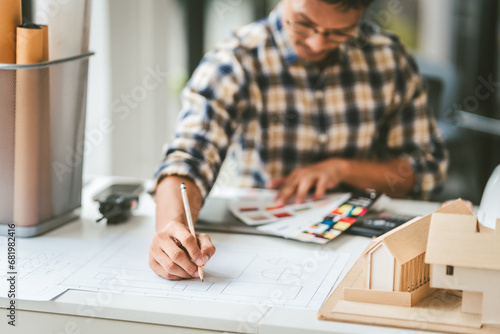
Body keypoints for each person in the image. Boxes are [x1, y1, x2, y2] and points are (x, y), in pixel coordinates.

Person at [148, 0, 449, 280]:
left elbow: (428, 168)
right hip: (261, 242)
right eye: (303, 24)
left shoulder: (388, 57)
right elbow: (189, 156)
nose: (317, 43)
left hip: (366, 244)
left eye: (339, 32)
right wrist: (172, 231)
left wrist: (342, 169)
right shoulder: (237, 58)